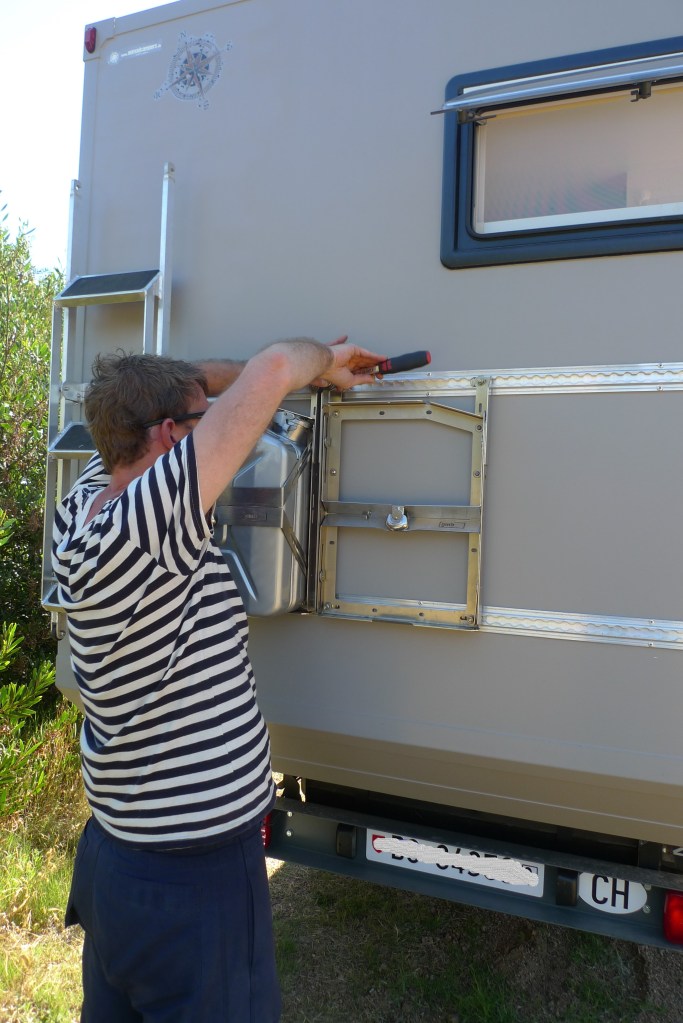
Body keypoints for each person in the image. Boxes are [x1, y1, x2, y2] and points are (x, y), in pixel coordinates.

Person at [53, 336, 385, 1023]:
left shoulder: (88, 502)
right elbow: (273, 367)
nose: (220, 427)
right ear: (169, 436)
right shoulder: (150, 526)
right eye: (203, 420)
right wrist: (325, 361)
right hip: (191, 881)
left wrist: (215, 392)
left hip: (118, 859)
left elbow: (188, 381)